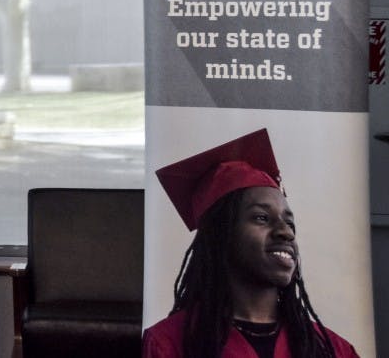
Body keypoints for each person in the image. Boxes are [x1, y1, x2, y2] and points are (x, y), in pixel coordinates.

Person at [143, 128, 359, 358]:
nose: (286, 232)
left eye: (290, 223)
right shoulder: (169, 343)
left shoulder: (330, 349)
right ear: (220, 235)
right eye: (261, 218)